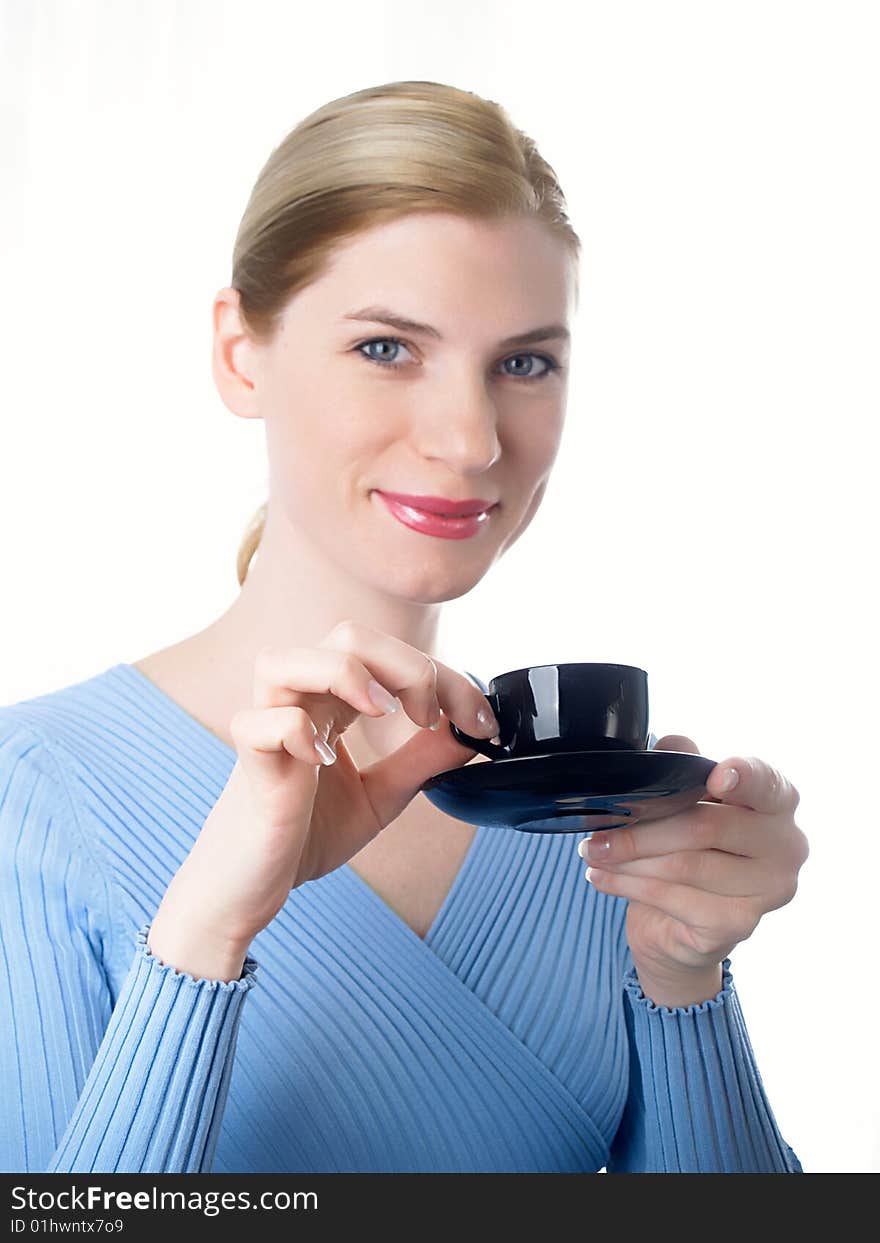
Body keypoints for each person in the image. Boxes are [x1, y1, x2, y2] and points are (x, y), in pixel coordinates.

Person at [0, 80, 808, 1175]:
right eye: (387, 347)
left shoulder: (592, 825)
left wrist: (682, 976)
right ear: (242, 352)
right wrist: (203, 937)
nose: (471, 438)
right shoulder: (37, 786)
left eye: (524, 362)